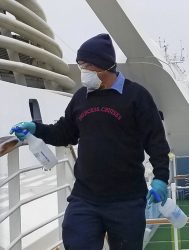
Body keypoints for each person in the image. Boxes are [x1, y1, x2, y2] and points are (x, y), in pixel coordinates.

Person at [10, 33, 170, 250]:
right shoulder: (81, 98)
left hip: (127, 200)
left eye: (86, 65)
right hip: (85, 198)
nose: (82, 71)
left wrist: (161, 177)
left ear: (104, 67)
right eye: (80, 64)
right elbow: (64, 133)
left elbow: (156, 140)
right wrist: (36, 129)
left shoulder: (137, 96)